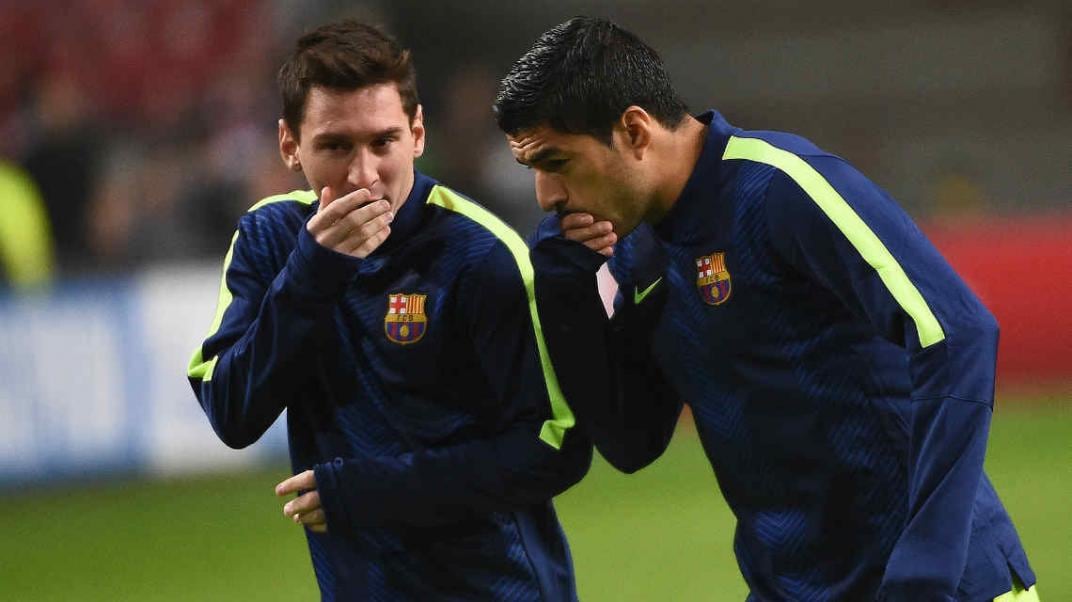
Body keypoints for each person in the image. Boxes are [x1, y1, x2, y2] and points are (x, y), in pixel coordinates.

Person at [495, 16, 1037, 602]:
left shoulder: (781, 185)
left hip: (937, 588)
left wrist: (926, 564)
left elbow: (957, 333)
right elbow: (633, 442)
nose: (546, 197)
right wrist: (567, 301)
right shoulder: (640, 251)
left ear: (634, 131)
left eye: (556, 163)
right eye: (533, 170)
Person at [186, 20, 590, 600]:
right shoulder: (270, 239)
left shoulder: (482, 254)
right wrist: (313, 273)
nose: (364, 175)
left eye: (383, 142)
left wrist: (372, 492)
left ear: (417, 134)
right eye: (335, 146)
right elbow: (231, 410)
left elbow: (554, 445)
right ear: (288, 146)